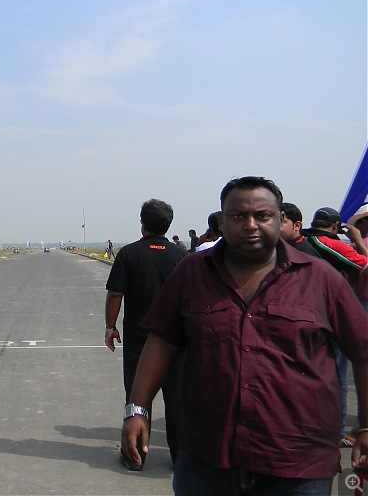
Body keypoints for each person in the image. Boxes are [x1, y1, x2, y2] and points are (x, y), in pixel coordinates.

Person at [121, 177, 368, 495]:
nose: (250, 225)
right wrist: (137, 410)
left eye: (262, 216)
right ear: (222, 221)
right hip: (206, 460)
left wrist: (365, 425)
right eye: (238, 216)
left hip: (298, 465)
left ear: (280, 220)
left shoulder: (321, 279)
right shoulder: (191, 273)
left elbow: (363, 351)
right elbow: (162, 342)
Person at [105, 199, 188, 470]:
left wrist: (110, 326)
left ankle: (136, 455)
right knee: (176, 398)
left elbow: (116, 293)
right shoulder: (181, 255)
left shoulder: (129, 254)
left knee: (137, 395)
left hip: (140, 338)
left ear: (142, 223)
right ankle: (179, 456)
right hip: (176, 339)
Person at [302, 206, 368, 447]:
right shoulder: (335, 244)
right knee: (339, 371)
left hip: (307, 312)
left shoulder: (299, 241)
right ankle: (336, 430)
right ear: (335, 226)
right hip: (337, 311)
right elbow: (363, 267)